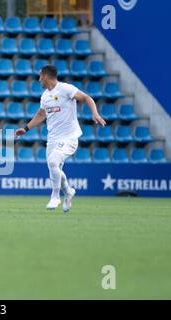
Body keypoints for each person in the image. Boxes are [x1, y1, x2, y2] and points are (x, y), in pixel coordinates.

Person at [15, 64, 106, 212]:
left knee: (52, 162)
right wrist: (25, 129)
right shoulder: (45, 96)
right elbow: (41, 115)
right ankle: (68, 192)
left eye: (39, 76)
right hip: (53, 139)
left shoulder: (66, 89)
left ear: (45, 76)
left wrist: (95, 113)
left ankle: (55, 196)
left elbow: (86, 98)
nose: (38, 80)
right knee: (54, 167)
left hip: (69, 137)